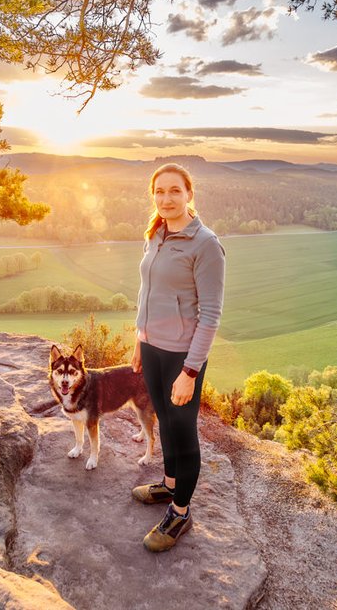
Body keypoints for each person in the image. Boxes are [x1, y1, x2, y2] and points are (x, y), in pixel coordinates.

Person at [129, 162, 225, 552]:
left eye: (174, 191)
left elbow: (212, 314)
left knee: (183, 435)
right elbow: (145, 291)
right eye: (160, 191)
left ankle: (181, 513)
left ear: (190, 194)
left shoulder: (205, 244)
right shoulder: (156, 232)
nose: (166, 199)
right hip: (152, 348)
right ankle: (169, 486)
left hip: (182, 355)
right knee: (164, 422)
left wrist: (190, 371)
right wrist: (140, 338)